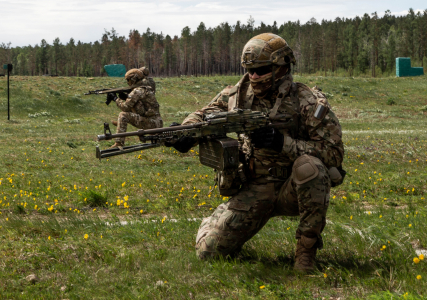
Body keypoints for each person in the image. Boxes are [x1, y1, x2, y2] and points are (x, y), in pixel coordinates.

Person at [169, 33, 345, 272]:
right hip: (255, 187)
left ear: (281, 67)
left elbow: (333, 154)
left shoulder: (307, 101)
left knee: (311, 168)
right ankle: (217, 220)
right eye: (249, 70)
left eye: (260, 70)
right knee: (209, 254)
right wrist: (186, 130)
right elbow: (204, 114)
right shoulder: (236, 95)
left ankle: (306, 253)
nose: (253, 76)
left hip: (293, 188)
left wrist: (281, 142)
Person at [107, 67, 163, 149]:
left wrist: (115, 99)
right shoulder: (145, 88)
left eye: (128, 80)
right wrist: (126, 97)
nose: (128, 83)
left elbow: (125, 107)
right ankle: (121, 125)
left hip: (151, 123)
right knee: (126, 113)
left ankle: (118, 143)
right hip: (157, 122)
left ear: (133, 79)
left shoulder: (137, 91)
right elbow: (136, 104)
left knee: (123, 115)